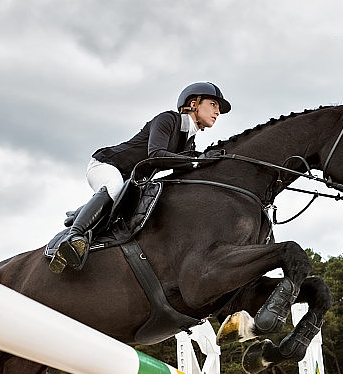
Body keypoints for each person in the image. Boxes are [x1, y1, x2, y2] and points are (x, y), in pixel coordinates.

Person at [49, 81, 231, 274]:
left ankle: (82, 213)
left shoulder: (188, 142)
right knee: (115, 187)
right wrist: (196, 161)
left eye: (219, 109)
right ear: (194, 103)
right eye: (213, 104)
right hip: (107, 164)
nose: (217, 112)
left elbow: (183, 170)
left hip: (130, 182)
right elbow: (156, 155)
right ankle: (74, 237)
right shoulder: (167, 119)